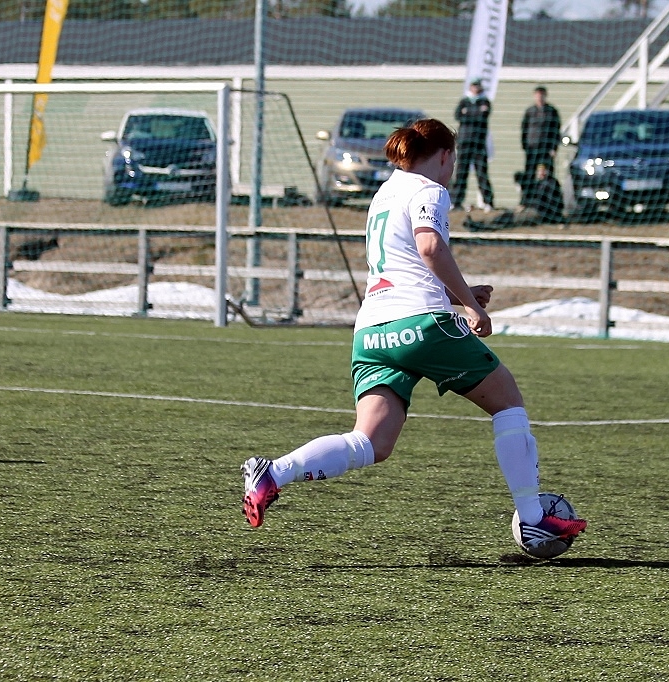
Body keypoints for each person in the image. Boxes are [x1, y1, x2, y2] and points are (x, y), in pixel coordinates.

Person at [241, 118, 587, 552]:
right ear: (444, 155)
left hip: (371, 331)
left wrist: (458, 292)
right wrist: (470, 305)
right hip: (420, 325)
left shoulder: (383, 194)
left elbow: (403, 266)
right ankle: (534, 519)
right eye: (453, 160)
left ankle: (274, 472)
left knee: (370, 441)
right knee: (507, 401)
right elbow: (429, 247)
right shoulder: (430, 189)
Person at [465, 164, 565, 231]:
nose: (540, 173)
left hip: (540, 213)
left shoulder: (551, 184)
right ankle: (481, 223)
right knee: (507, 214)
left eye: (543, 170)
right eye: (539, 170)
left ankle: (484, 227)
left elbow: (546, 203)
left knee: (513, 218)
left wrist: (527, 206)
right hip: (532, 209)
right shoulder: (539, 183)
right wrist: (523, 205)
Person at [451, 79, 494, 211]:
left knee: (481, 173)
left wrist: (468, 113)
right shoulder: (464, 101)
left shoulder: (485, 101)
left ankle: (488, 202)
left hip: (478, 143)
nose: (475, 88)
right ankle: (456, 202)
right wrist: (475, 113)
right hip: (464, 142)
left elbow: (482, 117)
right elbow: (458, 115)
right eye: (474, 86)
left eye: (477, 86)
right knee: (461, 173)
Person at [520, 86, 562, 180]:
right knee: (530, 171)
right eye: (538, 95)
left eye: (542, 95)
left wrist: (554, 147)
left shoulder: (552, 111)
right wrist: (525, 145)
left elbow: (556, 130)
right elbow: (524, 128)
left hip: (546, 147)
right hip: (532, 147)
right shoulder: (530, 111)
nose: (540, 97)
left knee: (548, 172)